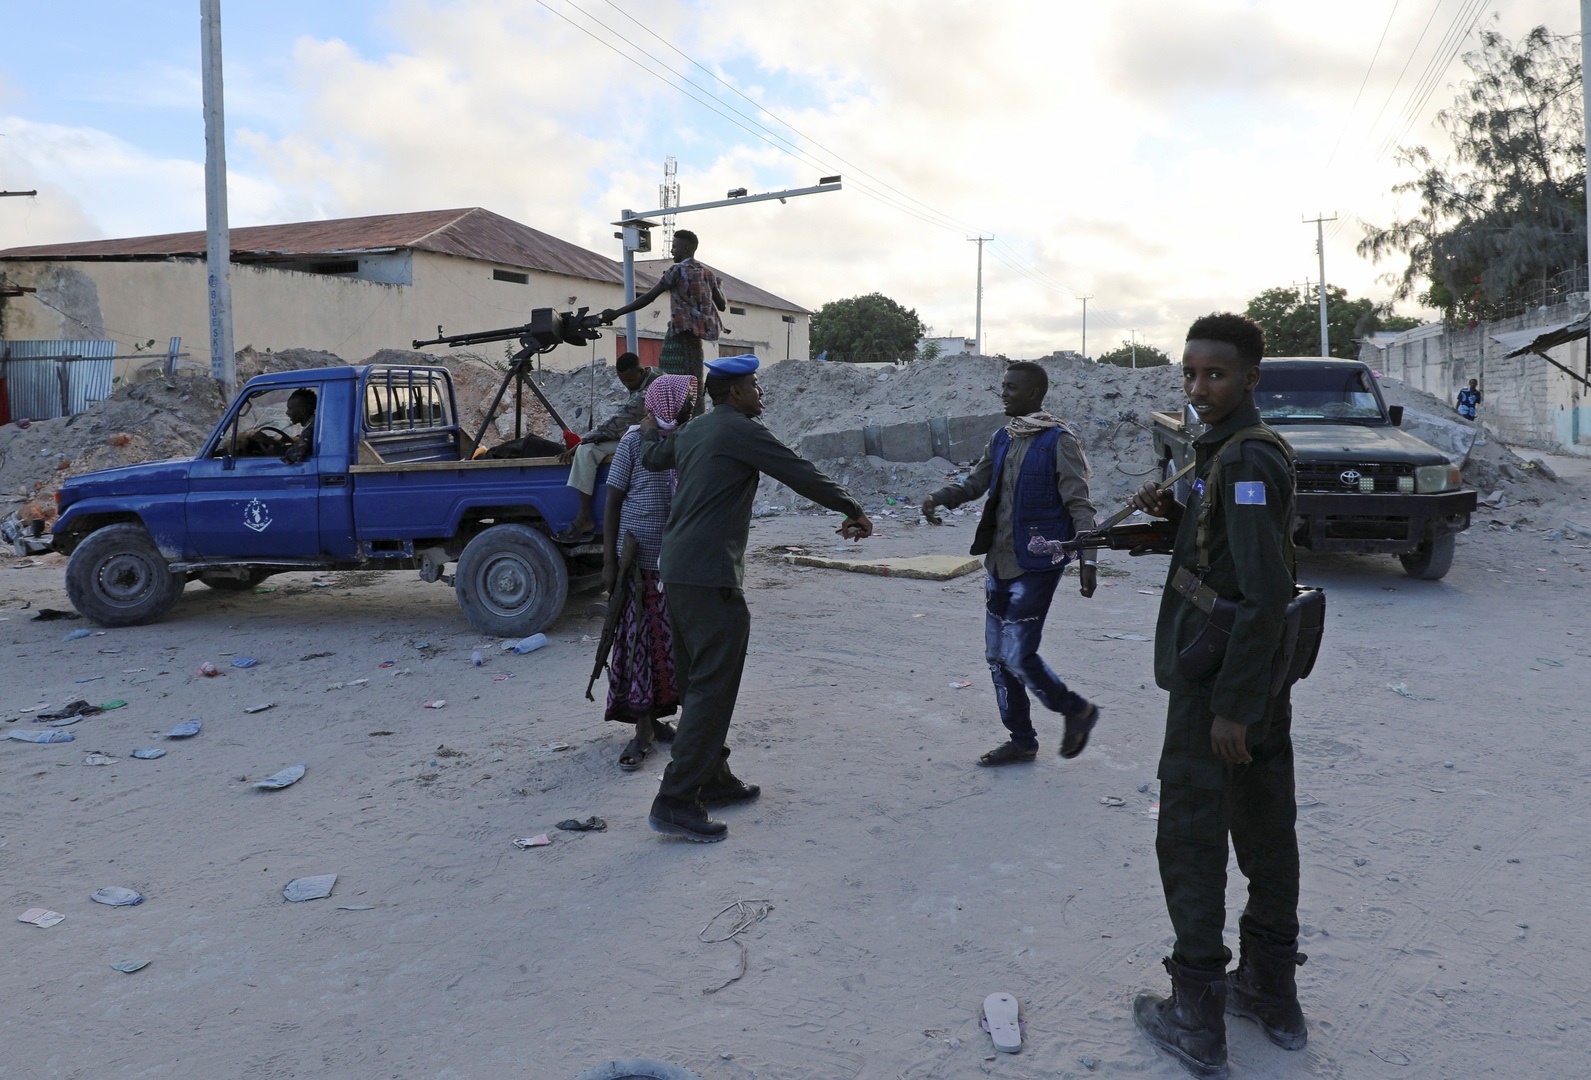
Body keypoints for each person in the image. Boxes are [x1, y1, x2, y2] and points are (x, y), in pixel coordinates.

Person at [1127, 312, 1306, 1078]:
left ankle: (1195, 1012)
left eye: (1216, 375)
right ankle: (1268, 988)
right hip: (1254, 672)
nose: (1199, 388)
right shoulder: (1225, 454)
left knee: (1194, 834)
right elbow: (1218, 535)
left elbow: (1263, 592)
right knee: (1265, 824)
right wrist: (1170, 511)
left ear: (1250, 379)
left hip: (1221, 684)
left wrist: (1233, 705)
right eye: (1190, 374)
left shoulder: (1242, 462)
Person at [636, 353, 872, 842]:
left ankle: (714, 779)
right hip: (709, 574)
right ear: (737, 393)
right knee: (711, 686)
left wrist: (647, 427)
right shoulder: (739, 430)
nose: (762, 395)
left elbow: (652, 457)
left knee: (696, 677)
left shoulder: (695, 430)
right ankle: (676, 800)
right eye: (756, 387)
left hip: (677, 569)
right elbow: (798, 471)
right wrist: (852, 507)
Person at [920, 361, 1101, 767]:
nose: (1004, 394)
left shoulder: (1059, 441)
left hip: (1036, 564)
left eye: (1012, 388)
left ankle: (1077, 711)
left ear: (1034, 394)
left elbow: (1079, 503)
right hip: (998, 563)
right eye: (1003, 387)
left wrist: (1089, 559)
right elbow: (974, 484)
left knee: (1018, 655)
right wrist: (938, 496)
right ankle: (1022, 740)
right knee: (997, 657)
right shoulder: (1003, 438)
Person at [599, 373, 697, 772]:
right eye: (686, 400)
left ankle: (656, 719)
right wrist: (608, 560)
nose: (691, 405)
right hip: (637, 562)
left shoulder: (685, 441)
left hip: (673, 561)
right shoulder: (631, 443)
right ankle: (641, 729)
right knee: (638, 642)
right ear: (670, 403)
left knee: (667, 645)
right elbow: (613, 503)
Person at [600, 229, 726, 413]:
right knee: (694, 383)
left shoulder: (677, 270)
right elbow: (721, 305)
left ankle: (670, 419)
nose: (672, 251)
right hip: (695, 340)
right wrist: (719, 287)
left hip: (678, 336)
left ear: (684, 248)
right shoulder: (707, 273)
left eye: (674, 247)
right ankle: (695, 419)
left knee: (671, 385)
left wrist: (618, 312)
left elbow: (648, 297)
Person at [556, 352, 657, 540]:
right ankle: (584, 516)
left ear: (641, 371)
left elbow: (619, 421)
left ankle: (585, 517)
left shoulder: (647, 392)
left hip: (654, 439)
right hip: (638, 433)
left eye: (630, 380)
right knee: (587, 450)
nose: (627, 384)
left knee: (586, 448)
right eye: (623, 381)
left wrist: (584, 440)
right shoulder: (649, 376)